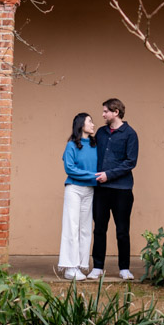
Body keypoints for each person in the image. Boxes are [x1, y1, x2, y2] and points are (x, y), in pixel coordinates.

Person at [89, 97, 139, 280]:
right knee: (99, 228)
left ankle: (124, 268)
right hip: (101, 189)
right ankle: (98, 267)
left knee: (122, 230)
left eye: (105, 112)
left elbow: (130, 162)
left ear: (115, 112)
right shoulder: (101, 133)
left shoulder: (130, 134)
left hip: (122, 190)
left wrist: (108, 174)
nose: (102, 115)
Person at [58, 112, 99, 280]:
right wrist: (93, 175)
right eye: (90, 121)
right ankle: (70, 267)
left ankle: (81, 265)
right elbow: (69, 169)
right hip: (74, 189)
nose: (93, 124)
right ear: (81, 124)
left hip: (90, 190)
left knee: (85, 229)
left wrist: (94, 178)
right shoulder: (71, 146)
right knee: (71, 227)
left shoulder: (95, 144)